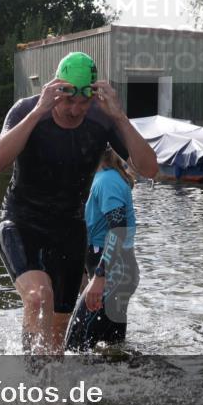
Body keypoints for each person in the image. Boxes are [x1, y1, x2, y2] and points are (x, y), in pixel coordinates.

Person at [0, 51, 158, 355]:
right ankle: (30, 380)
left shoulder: (102, 118)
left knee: (56, 341)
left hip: (69, 231)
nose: (76, 109)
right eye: (68, 100)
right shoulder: (26, 110)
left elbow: (150, 169)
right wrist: (39, 110)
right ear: (56, 89)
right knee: (38, 298)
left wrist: (118, 115)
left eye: (84, 101)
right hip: (22, 222)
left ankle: (54, 395)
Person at [66, 147, 139, 351]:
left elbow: (118, 230)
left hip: (112, 276)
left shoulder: (107, 181)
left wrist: (100, 276)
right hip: (115, 274)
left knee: (73, 349)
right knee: (113, 353)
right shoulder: (101, 178)